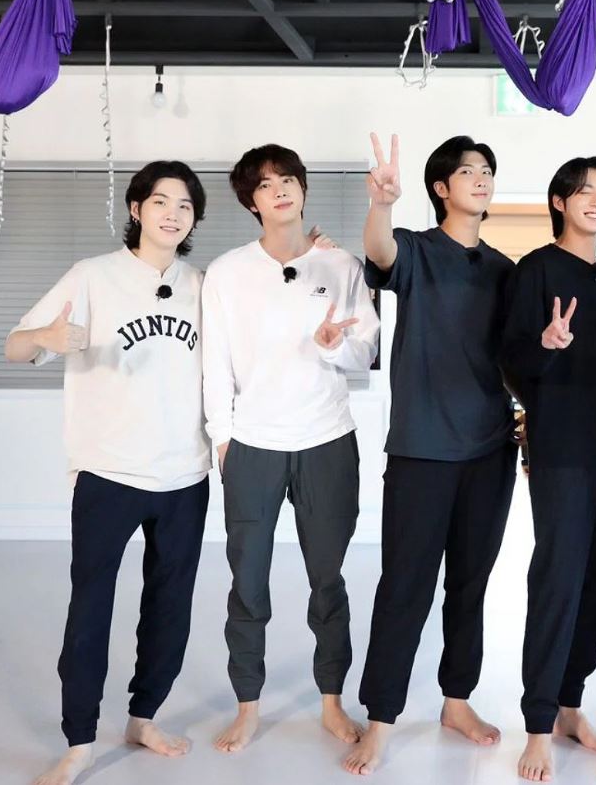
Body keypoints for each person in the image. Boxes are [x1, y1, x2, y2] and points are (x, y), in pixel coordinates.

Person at [7, 162, 211, 785]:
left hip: (185, 475)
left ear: (194, 219)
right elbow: (16, 346)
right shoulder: (92, 275)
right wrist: (47, 335)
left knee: (170, 608)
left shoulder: (204, 285)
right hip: (108, 473)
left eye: (185, 205)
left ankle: (143, 718)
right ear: (136, 208)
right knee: (91, 608)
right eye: (161, 201)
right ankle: (79, 741)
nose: (173, 213)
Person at [345, 134, 519, 776]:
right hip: (422, 450)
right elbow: (379, 251)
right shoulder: (415, 250)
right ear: (442, 188)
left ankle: (456, 701)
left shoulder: (505, 270)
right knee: (405, 585)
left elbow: (518, 355)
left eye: (487, 170)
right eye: (468, 171)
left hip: (491, 449)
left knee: (470, 585)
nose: (481, 178)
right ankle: (380, 720)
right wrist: (381, 203)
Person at [204, 143, 380, 754]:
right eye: (264, 184)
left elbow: (367, 352)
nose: (279, 189)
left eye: (287, 179)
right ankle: (247, 706)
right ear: (251, 202)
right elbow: (214, 363)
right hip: (252, 445)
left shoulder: (341, 265)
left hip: (327, 441)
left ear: (303, 189)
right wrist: (222, 439)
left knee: (328, 580)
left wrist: (335, 343)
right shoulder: (226, 272)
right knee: (247, 583)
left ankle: (331, 701)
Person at [501, 157, 596, 782]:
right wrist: (546, 343)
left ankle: (568, 706)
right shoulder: (534, 270)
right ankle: (537, 724)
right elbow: (510, 359)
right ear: (559, 201)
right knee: (557, 582)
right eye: (584, 190)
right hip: (564, 453)